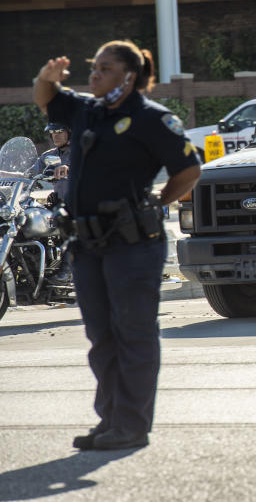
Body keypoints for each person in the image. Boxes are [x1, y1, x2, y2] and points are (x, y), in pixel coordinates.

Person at [32, 41, 202, 451]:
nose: (95, 75)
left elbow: (189, 169)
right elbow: (47, 99)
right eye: (93, 67)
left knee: (134, 333)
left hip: (132, 244)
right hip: (88, 243)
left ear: (128, 76)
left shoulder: (152, 118)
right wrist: (45, 78)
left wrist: (156, 204)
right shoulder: (88, 109)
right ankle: (110, 421)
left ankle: (132, 425)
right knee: (101, 337)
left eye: (104, 69)